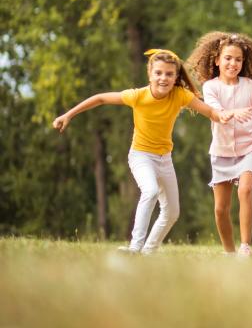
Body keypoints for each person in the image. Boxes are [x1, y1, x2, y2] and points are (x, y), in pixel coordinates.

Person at [52, 49, 237, 254]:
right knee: (149, 191)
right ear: (150, 74)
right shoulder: (138, 96)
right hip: (141, 155)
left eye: (169, 74)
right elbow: (100, 99)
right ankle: (135, 247)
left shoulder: (179, 95)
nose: (163, 78)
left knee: (173, 212)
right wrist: (68, 115)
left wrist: (222, 115)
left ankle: (149, 250)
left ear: (176, 77)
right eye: (158, 73)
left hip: (164, 159)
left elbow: (210, 112)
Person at [186, 32, 252, 257]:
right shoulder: (210, 87)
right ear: (217, 60)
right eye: (228, 58)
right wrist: (234, 113)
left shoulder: (251, 86)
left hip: (251, 147)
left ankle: (245, 246)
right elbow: (217, 113)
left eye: (238, 59)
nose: (233, 63)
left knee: (245, 189)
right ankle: (229, 252)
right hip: (222, 150)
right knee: (220, 209)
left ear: (243, 63)